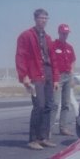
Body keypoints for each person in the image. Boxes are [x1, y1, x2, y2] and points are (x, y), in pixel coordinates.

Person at [16, 9, 59, 150]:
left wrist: (56, 79)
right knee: (39, 105)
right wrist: (24, 76)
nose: (44, 20)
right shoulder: (26, 36)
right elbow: (20, 56)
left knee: (48, 106)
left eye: (46, 18)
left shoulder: (48, 38)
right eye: (41, 18)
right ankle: (33, 139)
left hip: (48, 73)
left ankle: (43, 137)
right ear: (35, 18)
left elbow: (53, 59)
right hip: (35, 73)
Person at [51, 23, 76, 136]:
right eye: (63, 33)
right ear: (59, 33)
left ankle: (63, 127)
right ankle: (48, 129)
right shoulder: (53, 45)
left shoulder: (69, 47)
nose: (65, 35)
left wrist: (71, 76)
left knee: (66, 103)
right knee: (55, 103)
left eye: (67, 33)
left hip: (67, 76)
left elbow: (73, 61)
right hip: (57, 76)